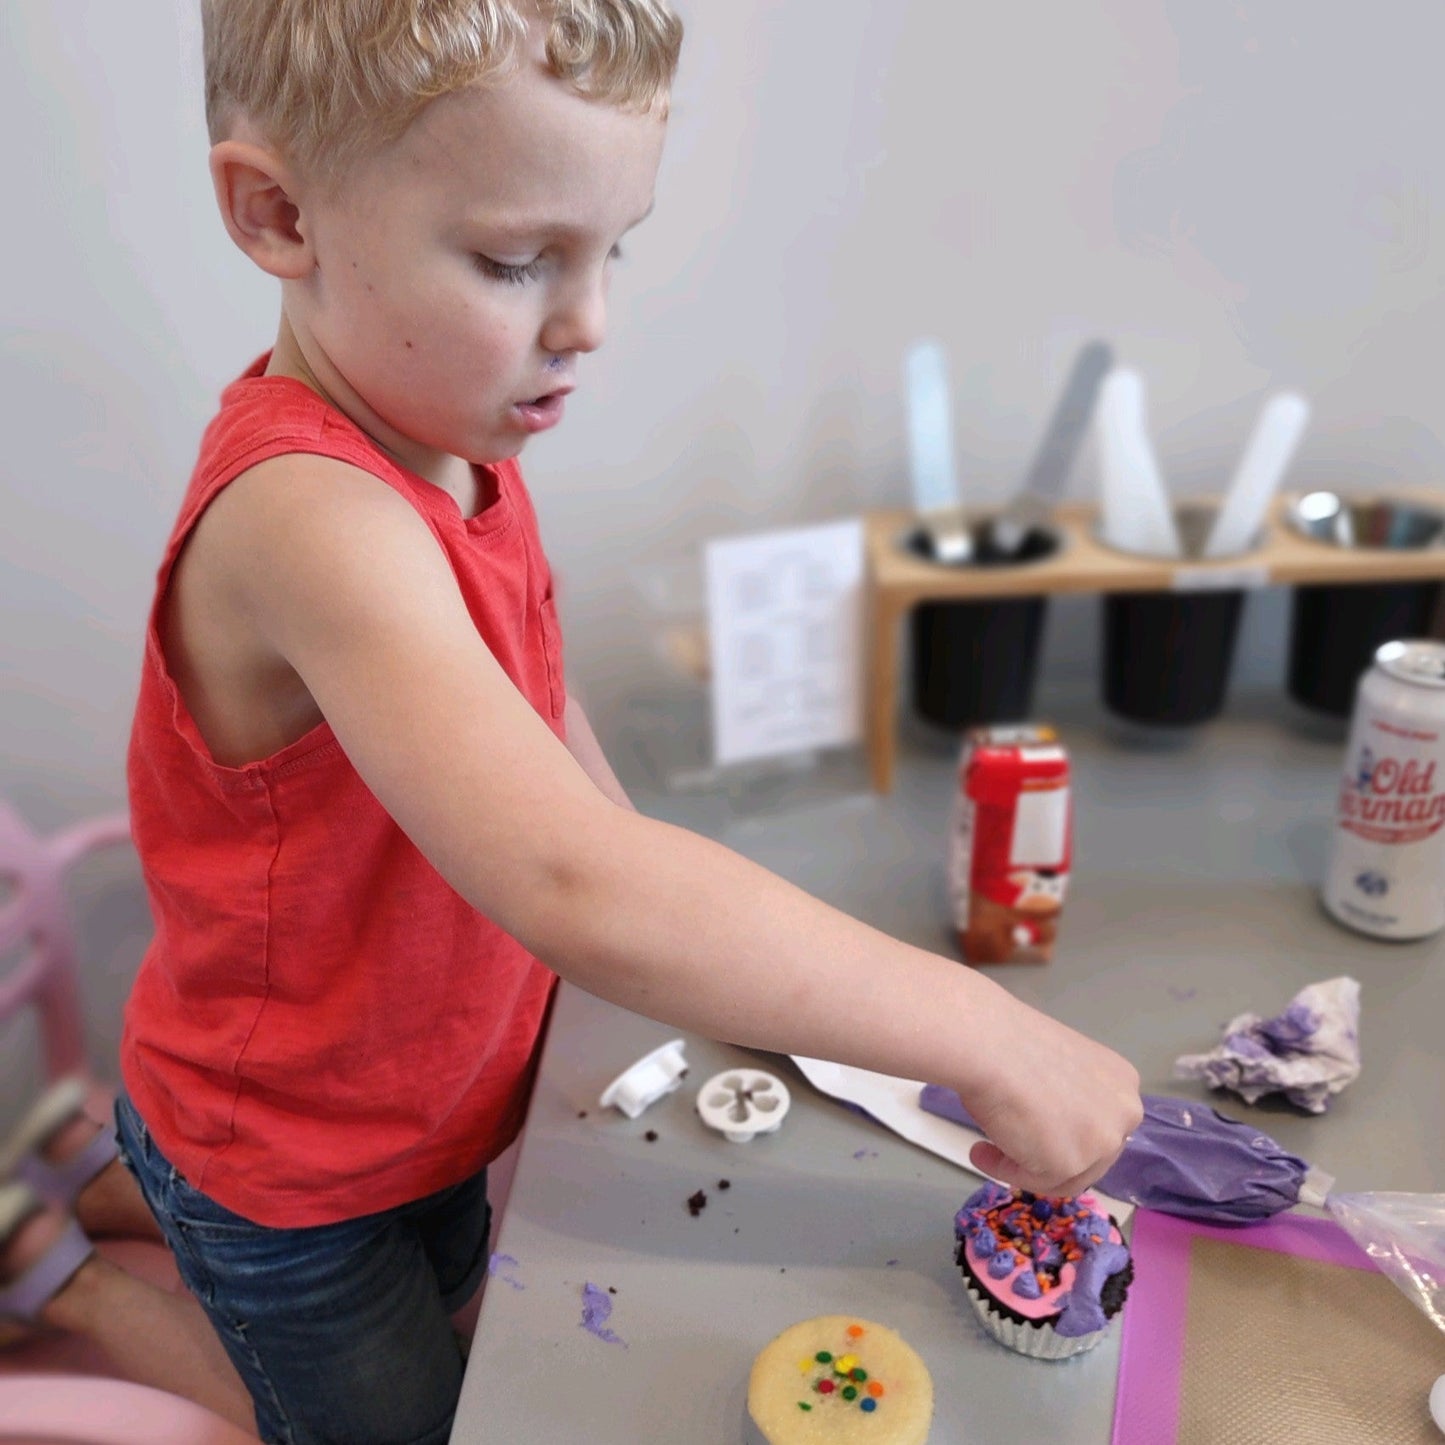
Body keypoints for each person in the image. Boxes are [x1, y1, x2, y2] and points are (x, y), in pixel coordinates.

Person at [0, 2, 1143, 1441]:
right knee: (400, 1425)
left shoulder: (453, 440)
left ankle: (120, 1174)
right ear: (279, 215)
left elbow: (549, 738)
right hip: (293, 1164)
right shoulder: (312, 517)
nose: (588, 319)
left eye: (613, 249)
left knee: (457, 1329)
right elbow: (572, 880)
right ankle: (78, 1280)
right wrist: (978, 1030)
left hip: (425, 1112)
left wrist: (697, 922)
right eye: (515, 258)